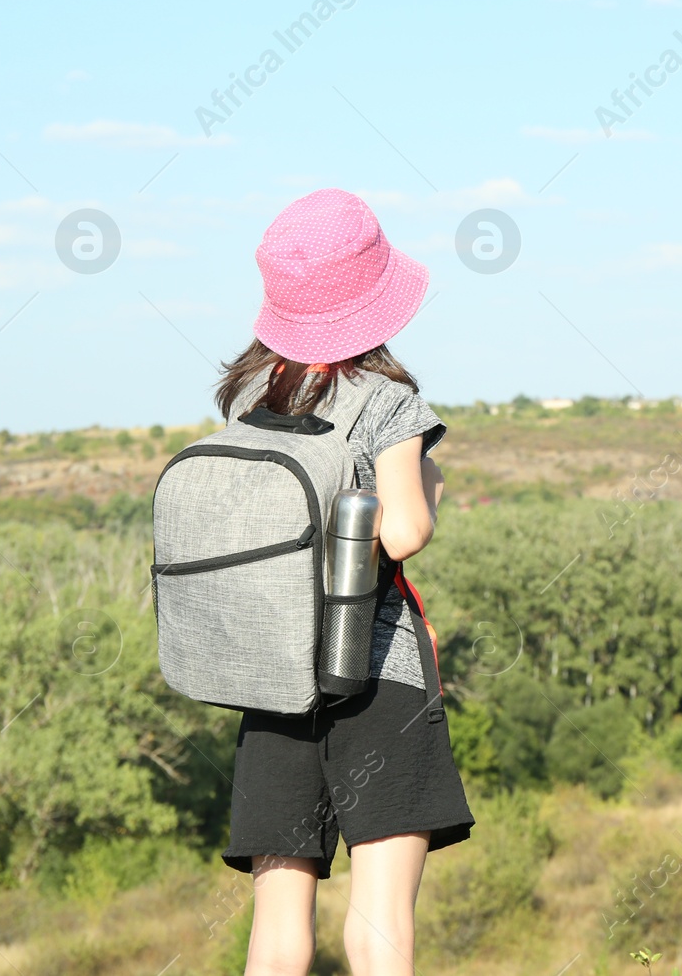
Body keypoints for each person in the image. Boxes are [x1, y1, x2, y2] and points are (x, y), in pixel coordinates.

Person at [212, 188, 473, 975]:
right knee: (381, 913)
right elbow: (402, 532)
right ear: (374, 300)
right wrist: (428, 487)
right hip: (376, 672)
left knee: (278, 924)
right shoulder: (389, 400)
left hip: (273, 674)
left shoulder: (250, 400)